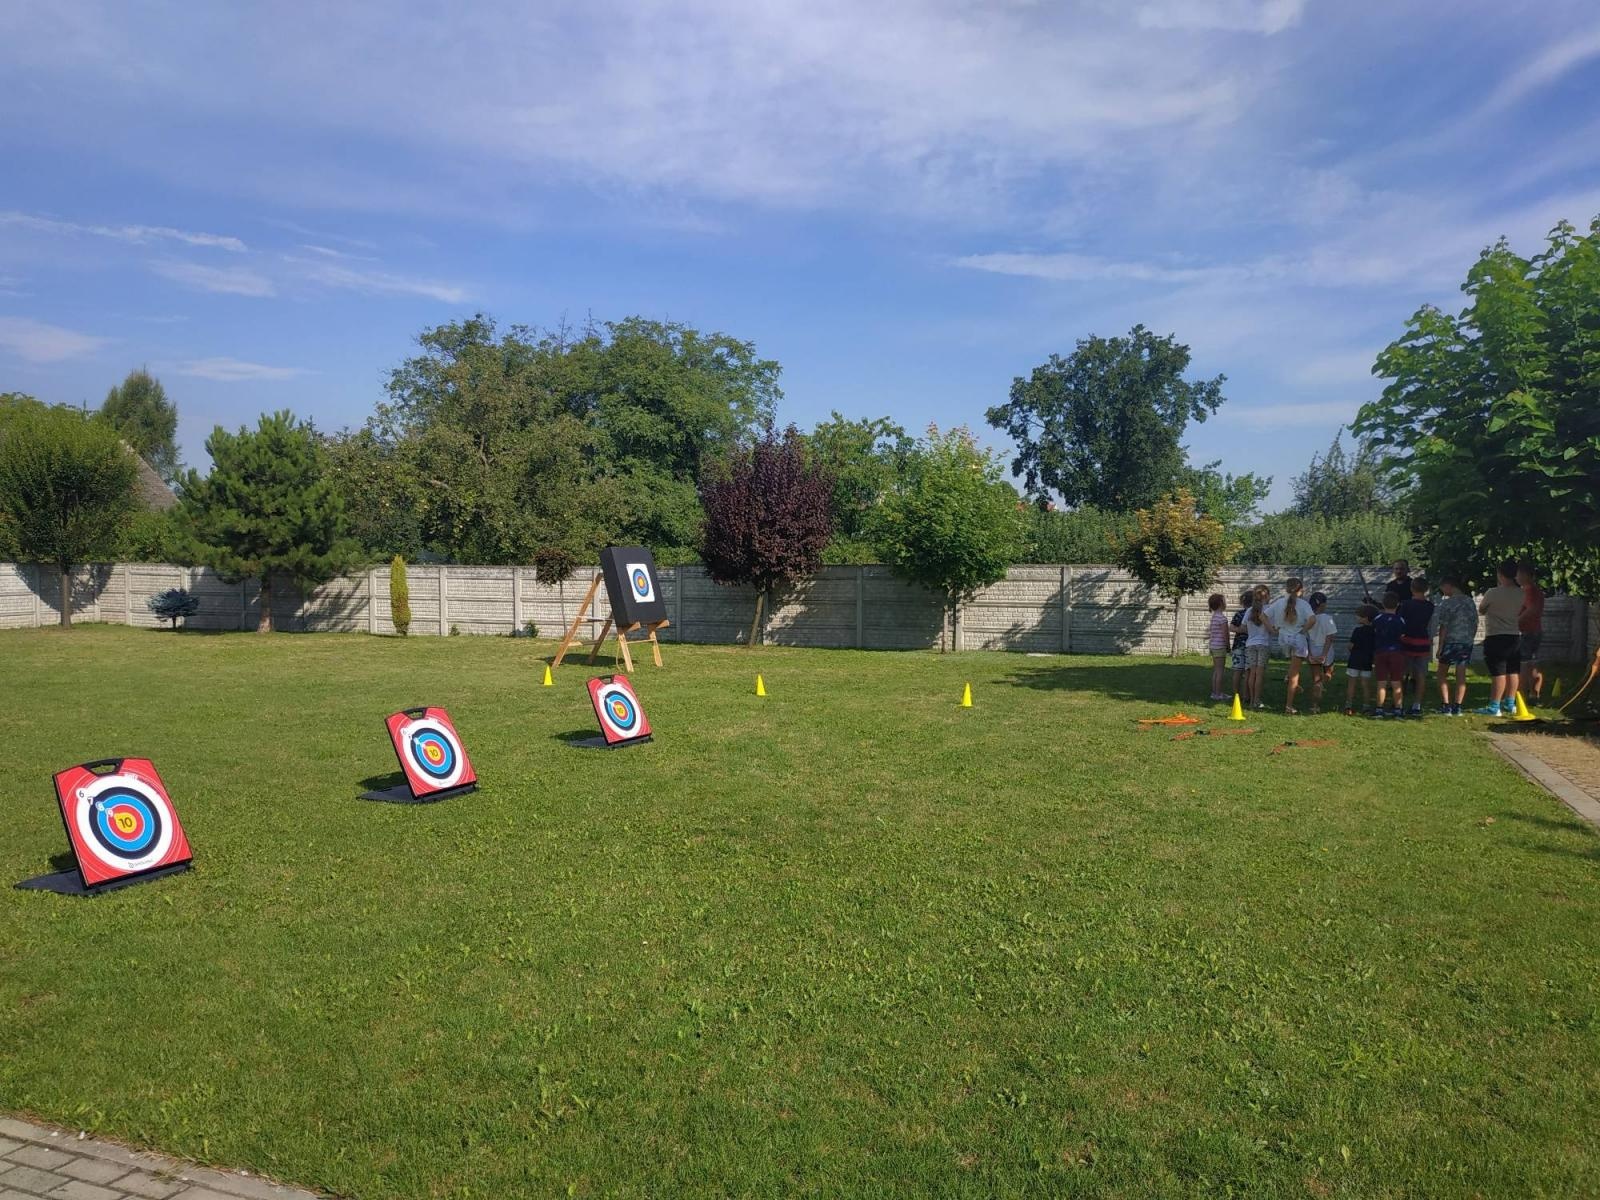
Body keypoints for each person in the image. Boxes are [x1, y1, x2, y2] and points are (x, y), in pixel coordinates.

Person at [1476, 560, 1523, 716]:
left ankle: (1494, 706)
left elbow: (1482, 609)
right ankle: (1510, 703)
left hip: (1496, 635)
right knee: (1513, 670)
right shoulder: (1521, 593)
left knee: (1498, 672)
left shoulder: (1493, 592)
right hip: (1515, 635)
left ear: (1500, 574)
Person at [1264, 576, 1309, 714]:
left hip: (1283, 639)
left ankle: (1289, 677)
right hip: (1298, 639)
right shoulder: (1303, 604)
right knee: (1295, 674)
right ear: (1300, 590)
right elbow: (1312, 619)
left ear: (1286, 589)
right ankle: (1289, 706)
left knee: (1293, 665)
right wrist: (1304, 630)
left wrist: (1272, 630)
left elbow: (1263, 616)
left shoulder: (1279, 603)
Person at [1434, 575, 1477, 716]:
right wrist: (1470, 638)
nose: (1443, 591)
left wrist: (1440, 646)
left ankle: (1446, 705)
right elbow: (1475, 623)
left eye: (1443, 588)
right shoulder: (1470, 602)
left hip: (1450, 641)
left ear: (1449, 586)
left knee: (1441, 673)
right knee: (1461, 675)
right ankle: (1458, 706)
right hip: (1465, 642)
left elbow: (1444, 626)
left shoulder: (1448, 603)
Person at [1398, 577, 1435, 718]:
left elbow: (1401, 622)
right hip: (1423, 640)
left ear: (1411, 589)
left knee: (1402, 672)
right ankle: (1417, 704)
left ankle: (1399, 703)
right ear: (1426, 589)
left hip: (1407, 639)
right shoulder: (1430, 606)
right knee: (1420, 674)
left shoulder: (1406, 604)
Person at [1372, 592, 1407, 719]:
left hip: (1381, 652)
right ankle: (1398, 709)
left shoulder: (1377, 619)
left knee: (1381, 682)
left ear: (1383, 604)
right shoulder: (1400, 620)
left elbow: (1374, 632)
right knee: (1396, 682)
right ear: (1397, 605)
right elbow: (1403, 635)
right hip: (1396, 652)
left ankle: (1379, 709)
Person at [1303, 592, 1337, 714]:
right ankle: (1322, 683)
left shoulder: (1308, 618)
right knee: (1329, 672)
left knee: (1315, 679)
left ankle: (1315, 706)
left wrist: (1309, 655)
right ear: (1323, 605)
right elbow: (1330, 638)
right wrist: (1324, 654)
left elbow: (1305, 638)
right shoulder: (1328, 619)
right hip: (1326, 650)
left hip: (1313, 649)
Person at [1517, 560, 1545, 704]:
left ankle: (1521, 695)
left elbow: (1531, 609)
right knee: (1533, 663)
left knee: (1523, 664)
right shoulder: (1536, 591)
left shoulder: (1529, 591)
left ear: (1525, 575)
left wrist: (1517, 620)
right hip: (1536, 630)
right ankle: (1534, 695)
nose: (1516, 577)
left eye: (1518, 574)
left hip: (1527, 632)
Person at [1345, 604, 1377, 715]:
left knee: (1351, 683)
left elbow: (1350, 646)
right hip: (1367, 660)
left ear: (1365, 618)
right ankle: (1366, 706)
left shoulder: (1357, 631)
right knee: (1366, 684)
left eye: (1359, 616)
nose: (1357, 617)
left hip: (1355, 659)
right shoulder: (1375, 632)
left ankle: (1348, 706)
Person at [1245, 585, 1272, 710]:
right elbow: (1272, 626)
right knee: (1259, 674)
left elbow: (1244, 626)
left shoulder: (1249, 610)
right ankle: (1257, 700)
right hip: (1263, 644)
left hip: (1250, 644)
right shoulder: (1269, 610)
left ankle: (1251, 701)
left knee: (1252, 673)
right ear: (1267, 596)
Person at [1228, 587, 1254, 704]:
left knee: (1237, 671)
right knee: (1248, 671)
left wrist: (1239, 630)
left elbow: (1231, 627)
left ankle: (1236, 694)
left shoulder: (1239, 614)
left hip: (1238, 645)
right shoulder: (1255, 614)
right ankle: (1246, 695)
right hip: (1250, 645)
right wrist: (1244, 630)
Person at [1206, 592, 1230, 701]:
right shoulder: (1222, 618)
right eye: (1224, 601)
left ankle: (1215, 692)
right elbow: (1225, 634)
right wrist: (1228, 646)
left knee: (1216, 671)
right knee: (1220, 671)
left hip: (1213, 646)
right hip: (1220, 647)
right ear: (1221, 603)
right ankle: (1218, 694)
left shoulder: (1214, 617)